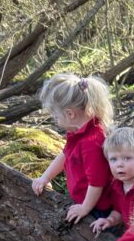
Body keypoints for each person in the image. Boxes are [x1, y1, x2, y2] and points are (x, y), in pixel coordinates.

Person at [32, 74, 113, 223]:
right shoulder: (77, 132)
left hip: (98, 208)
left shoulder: (92, 142)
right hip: (82, 200)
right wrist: (45, 177)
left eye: (56, 116)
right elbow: (65, 155)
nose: (55, 120)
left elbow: (97, 182)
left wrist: (85, 208)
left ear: (70, 113)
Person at [91, 127, 134, 236]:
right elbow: (119, 211)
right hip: (132, 237)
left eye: (127, 158)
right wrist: (109, 220)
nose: (119, 164)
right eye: (113, 159)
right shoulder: (116, 185)